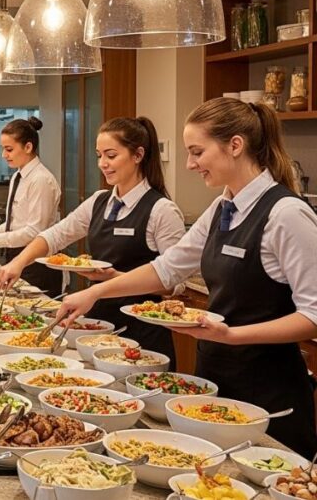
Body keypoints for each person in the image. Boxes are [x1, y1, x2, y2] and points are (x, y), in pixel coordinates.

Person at [55, 98, 317, 457]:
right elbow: (168, 267)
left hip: (268, 391)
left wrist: (232, 335)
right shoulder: (223, 206)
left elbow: (313, 315)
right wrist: (95, 293)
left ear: (235, 145)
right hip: (215, 380)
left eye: (197, 152)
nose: (190, 164)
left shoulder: (287, 214)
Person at [0, 117, 185, 361]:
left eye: (111, 155)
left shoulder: (162, 210)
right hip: (99, 327)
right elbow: (56, 235)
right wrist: (18, 263)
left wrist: (114, 278)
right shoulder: (99, 201)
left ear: (138, 155)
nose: (102, 163)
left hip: (143, 334)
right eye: (99, 155)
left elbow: (175, 283)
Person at [0, 117, 63, 296]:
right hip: (16, 257)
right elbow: (15, 224)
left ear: (28, 147)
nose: (4, 155)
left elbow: (34, 232)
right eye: (3, 149)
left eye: (9, 149)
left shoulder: (41, 180)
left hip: (37, 263)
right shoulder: (18, 176)